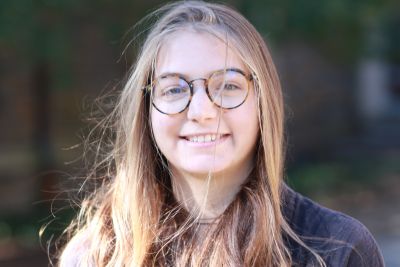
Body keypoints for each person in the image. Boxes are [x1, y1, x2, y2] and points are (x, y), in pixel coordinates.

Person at [58, 1, 384, 266]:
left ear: (263, 102)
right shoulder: (95, 255)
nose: (201, 111)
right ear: (146, 111)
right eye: (174, 89)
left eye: (228, 85)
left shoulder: (337, 249)